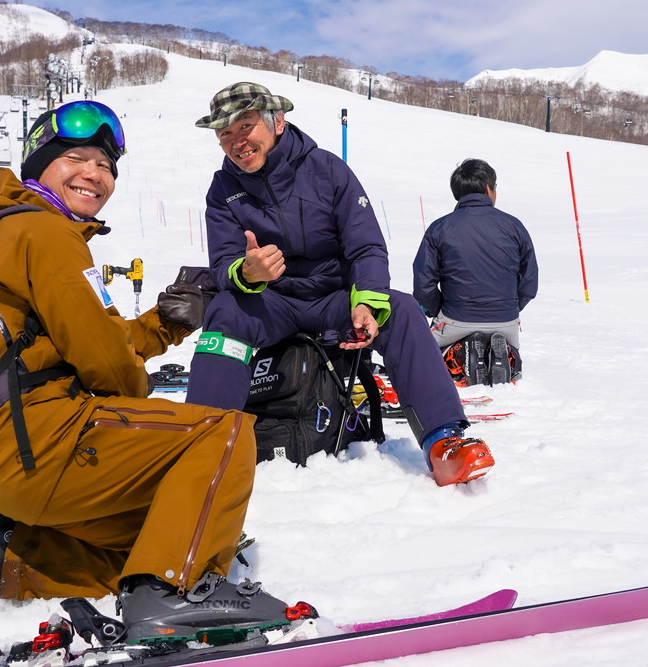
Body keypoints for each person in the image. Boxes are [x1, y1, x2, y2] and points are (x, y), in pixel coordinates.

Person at [0, 99, 288, 642]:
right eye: (77, 158)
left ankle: (16, 558)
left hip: (4, 457)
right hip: (39, 441)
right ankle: (172, 594)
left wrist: (165, 322)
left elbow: (96, 339)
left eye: (106, 166)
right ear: (39, 162)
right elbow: (107, 365)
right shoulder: (44, 233)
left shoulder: (13, 229)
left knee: (175, 530)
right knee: (221, 434)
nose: (94, 174)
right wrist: (140, 396)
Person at [184, 82, 495, 487]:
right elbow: (222, 263)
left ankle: (443, 443)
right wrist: (247, 273)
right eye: (224, 133)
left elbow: (366, 246)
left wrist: (366, 303)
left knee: (400, 310)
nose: (236, 142)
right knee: (224, 312)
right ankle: (203, 450)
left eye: (245, 126)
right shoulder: (222, 188)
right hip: (271, 303)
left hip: (333, 299)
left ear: (277, 122)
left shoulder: (327, 170)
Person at [412, 159, 538, 370]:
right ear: (489, 189)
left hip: (455, 319)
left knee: (422, 354)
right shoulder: (514, 226)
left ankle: (462, 356)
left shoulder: (439, 228)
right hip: (506, 321)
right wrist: (510, 306)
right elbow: (530, 280)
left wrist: (437, 309)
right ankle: (502, 355)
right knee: (505, 338)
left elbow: (423, 284)